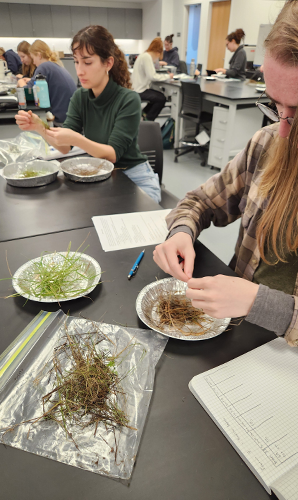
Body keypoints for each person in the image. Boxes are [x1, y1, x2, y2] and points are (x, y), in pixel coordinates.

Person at [153, 0, 298, 347]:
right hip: (242, 337)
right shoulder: (267, 145)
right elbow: (200, 201)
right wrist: (182, 232)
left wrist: (260, 304)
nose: (282, 129)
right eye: (275, 105)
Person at [15, 26, 161, 204]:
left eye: (87, 62)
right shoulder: (80, 97)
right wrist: (39, 127)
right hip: (100, 173)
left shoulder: (129, 99)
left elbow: (112, 154)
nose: (79, 70)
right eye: (76, 62)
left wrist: (76, 138)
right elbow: (64, 147)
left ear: (108, 63)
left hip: (134, 176)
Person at [17, 40, 76, 125]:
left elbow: (28, 92)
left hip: (62, 120)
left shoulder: (43, 66)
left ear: (39, 55)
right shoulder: (54, 65)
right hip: (69, 115)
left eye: (33, 58)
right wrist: (30, 80)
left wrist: (21, 81)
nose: (33, 62)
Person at [131, 38, 174, 121]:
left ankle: (144, 114)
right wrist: (168, 76)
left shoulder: (143, 55)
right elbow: (152, 76)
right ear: (158, 52)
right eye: (158, 56)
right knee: (161, 98)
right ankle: (148, 120)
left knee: (157, 96)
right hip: (140, 91)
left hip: (137, 89)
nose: (157, 59)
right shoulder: (147, 57)